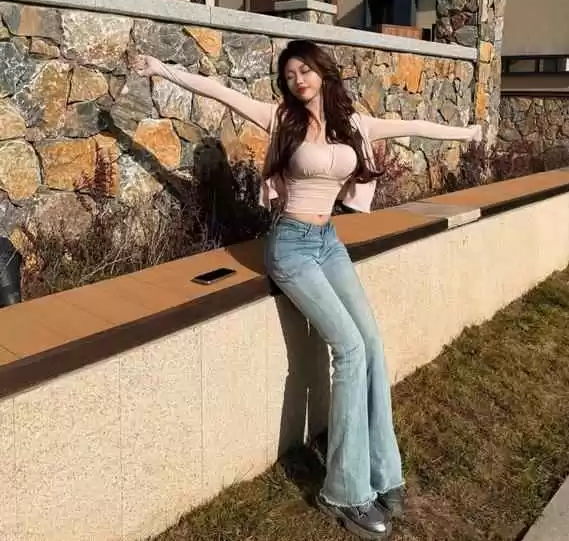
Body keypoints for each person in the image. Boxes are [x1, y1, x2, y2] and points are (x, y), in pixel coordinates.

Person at [131, 39, 481, 540]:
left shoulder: (352, 123)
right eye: (290, 73)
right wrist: (161, 69)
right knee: (350, 348)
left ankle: (382, 472)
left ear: (322, 72)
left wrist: (467, 132)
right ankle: (344, 492)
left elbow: (416, 126)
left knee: (372, 343)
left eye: (304, 70)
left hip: (328, 242)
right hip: (291, 246)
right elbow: (221, 91)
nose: (297, 79)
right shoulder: (281, 120)